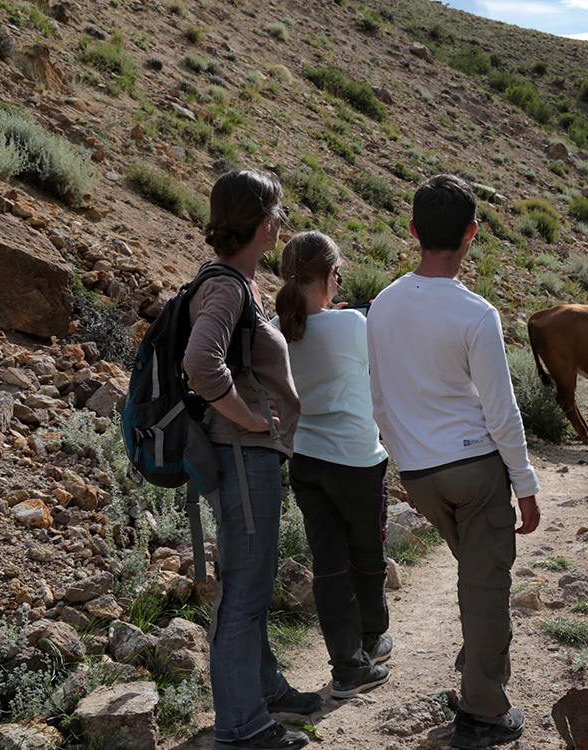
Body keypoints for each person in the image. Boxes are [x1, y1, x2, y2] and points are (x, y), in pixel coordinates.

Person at [366, 174, 541, 750]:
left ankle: (476, 666)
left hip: (420, 474)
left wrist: (405, 465)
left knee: (475, 577)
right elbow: (502, 411)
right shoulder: (477, 314)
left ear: (414, 230)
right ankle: (484, 711)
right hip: (476, 470)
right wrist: (526, 484)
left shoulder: (383, 305)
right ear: (471, 234)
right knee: (486, 588)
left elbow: (380, 399)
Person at [184, 170, 319, 750]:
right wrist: (248, 418)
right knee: (244, 587)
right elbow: (200, 363)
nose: (282, 225)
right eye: (279, 216)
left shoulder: (237, 282)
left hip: (246, 457)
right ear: (266, 223)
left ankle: (264, 690)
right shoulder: (227, 287)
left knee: (252, 580)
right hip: (243, 456)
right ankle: (240, 727)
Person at [272, 231, 393, 699]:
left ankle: (347, 668)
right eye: (337, 275)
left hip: (305, 460)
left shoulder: (276, 328)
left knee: (328, 564)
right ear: (327, 277)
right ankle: (372, 638)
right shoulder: (351, 327)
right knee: (366, 556)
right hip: (357, 460)